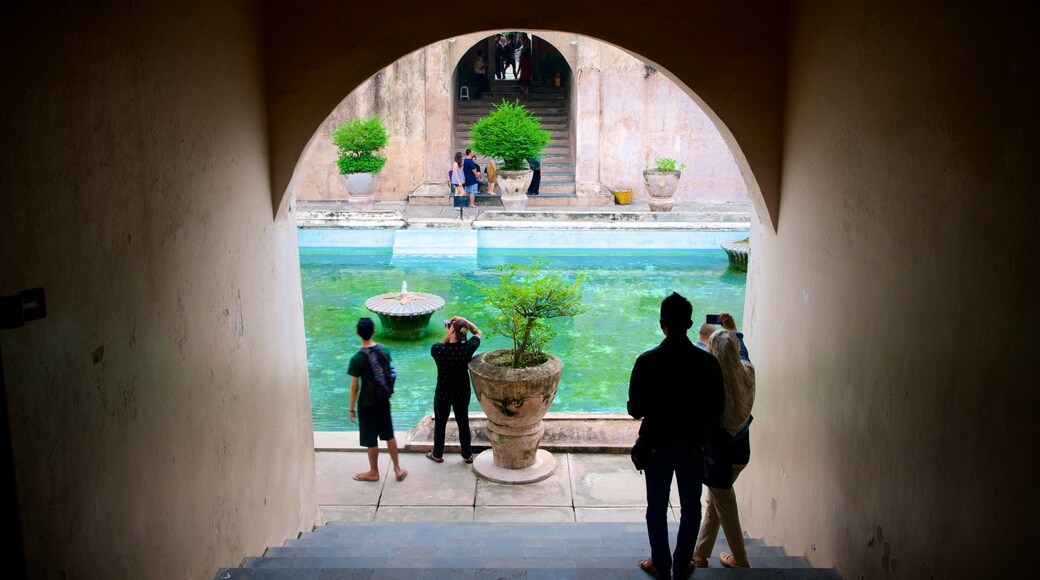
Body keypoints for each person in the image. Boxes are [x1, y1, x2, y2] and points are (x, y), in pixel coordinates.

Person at [628, 293, 725, 580]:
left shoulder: (647, 361)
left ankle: (660, 562)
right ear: (690, 323)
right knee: (691, 507)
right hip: (693, 448)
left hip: (656, 447)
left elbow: (636, 410)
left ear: (662, 325)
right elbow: (717, 408)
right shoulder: (708, 364)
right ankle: (682, 563)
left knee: (656, 507)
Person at [691, 312, 756, 570]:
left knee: (725, 506)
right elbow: (742, 355)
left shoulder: (710, 386)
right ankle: (700, 552)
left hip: (720, 457)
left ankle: (740, 560)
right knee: (715, 500)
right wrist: (734, 331)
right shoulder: (748, 373)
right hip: (742, 452)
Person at [347, 317, 408, 483]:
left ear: (357, 333)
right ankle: (397, 468)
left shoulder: (357, 358)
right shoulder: (385, 350)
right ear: (374, 331)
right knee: (388, 434)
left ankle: (374, 472)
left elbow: (354, 387)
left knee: (371, 438)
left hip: (367, 404)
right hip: (383, 400)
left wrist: (351, 408)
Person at [427, 316, 482, 463]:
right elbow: (478, 333)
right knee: (463, 422)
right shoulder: (467, 348)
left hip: (443, 393)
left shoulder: (437, 350)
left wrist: (448, 335)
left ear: (451, 330)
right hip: (462, 392)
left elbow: (442, 343)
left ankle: (437, 454)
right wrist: (465, 321)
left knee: (440, 423)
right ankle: (467, 455)